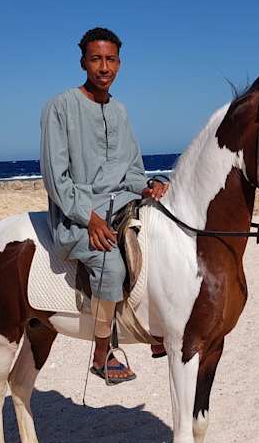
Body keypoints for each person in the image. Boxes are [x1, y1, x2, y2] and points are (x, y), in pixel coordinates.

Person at [40, 26, 168, 383]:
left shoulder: (121, 112)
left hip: (123, 207)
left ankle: (157, 329)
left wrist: (150, 186)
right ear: (83, 62)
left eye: (110, 59)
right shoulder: (60, 107)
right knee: (111, 265)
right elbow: (56, 178)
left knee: (164, 239)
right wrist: (90, 219)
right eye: (96, 59)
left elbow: (133, 171)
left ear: (119, 63)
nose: (104, 67)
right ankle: (102, 353)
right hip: (77, 217)